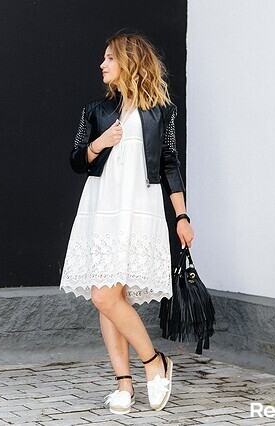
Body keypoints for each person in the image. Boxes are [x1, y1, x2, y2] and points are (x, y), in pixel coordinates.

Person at [60, 32, 194, 414]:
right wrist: (99, 143)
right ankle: (141, 371)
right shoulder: (95, 110)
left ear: (130, 62)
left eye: (109, 58)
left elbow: (169, 164)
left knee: (112, 297)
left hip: (138, 208)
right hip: (102, 207)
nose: (102, 64)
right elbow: (76, 160)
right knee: (105, 296)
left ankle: (143, 372)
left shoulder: (162, 112)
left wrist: (182, 215)